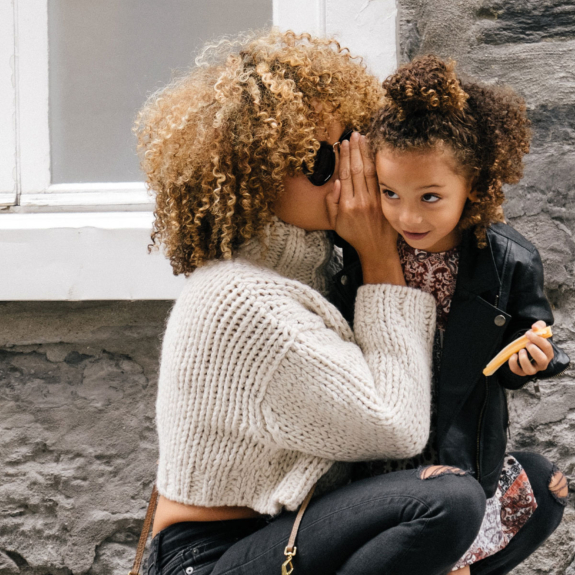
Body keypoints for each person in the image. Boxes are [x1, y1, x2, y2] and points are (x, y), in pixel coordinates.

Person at [135, 31, 487, 575]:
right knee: (446, 502)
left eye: (355, 144)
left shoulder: (314, 274)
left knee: (531, 487)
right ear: (257, 171)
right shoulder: (241, 300)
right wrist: (380, 257)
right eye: (323, 160)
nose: (353, 171)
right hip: (210, 557)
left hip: (292, 534)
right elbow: (395, 424)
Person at [330, 55, 571, 574]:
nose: (408, 216)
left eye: (431, 197)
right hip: (378, 440)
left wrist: (531, 360)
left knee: (531, 495)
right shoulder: (360, 247)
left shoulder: (509, 260)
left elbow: (529, 335)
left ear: (475, 186)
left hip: (460, 442)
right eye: (390, 193)